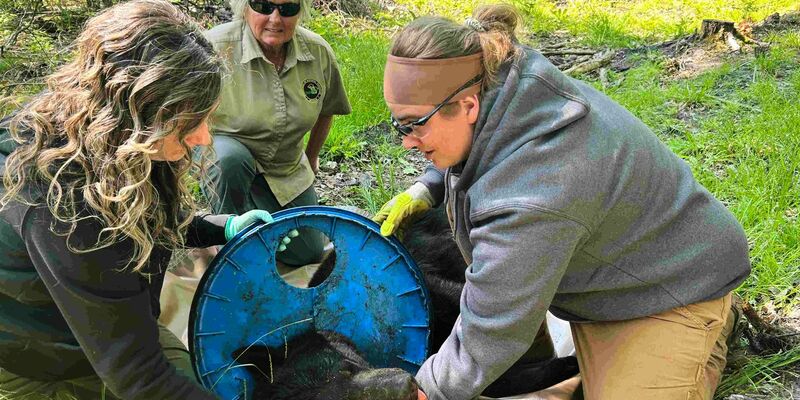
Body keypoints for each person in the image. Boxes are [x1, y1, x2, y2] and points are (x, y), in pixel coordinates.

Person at [374, 5, 751, 400]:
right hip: (610, 272)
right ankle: (559, 367)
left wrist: (428, 390)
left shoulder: (533, 190)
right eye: (399, 124)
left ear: (468, 106)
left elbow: (494, 325)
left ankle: (711, 329)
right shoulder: (502, 87)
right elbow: (485, 151)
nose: (406, 140)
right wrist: (429, 186)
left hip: (673, 291)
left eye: (415, 124)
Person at [0, 1, 290, 398]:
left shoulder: (117, 137)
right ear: (135, 113)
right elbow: (140, 379)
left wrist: (222, 226)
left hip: (112, 321)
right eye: (190, 124)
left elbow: (147, 218)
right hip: (40, 358)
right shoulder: (63, 206)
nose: (204, 138)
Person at [202, 0, 352, 267]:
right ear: (245, 8)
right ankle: (227, 248)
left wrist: (312, 156)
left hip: (285, 166)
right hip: (227, 158)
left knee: (307, 253)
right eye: (263, 5)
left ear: (300, 12)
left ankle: (253, 217)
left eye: (287, 9)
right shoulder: (213, 47)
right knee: (229, 160)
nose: (275, 18)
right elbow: (181, 112)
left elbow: (328, 108)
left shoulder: (317, 51)